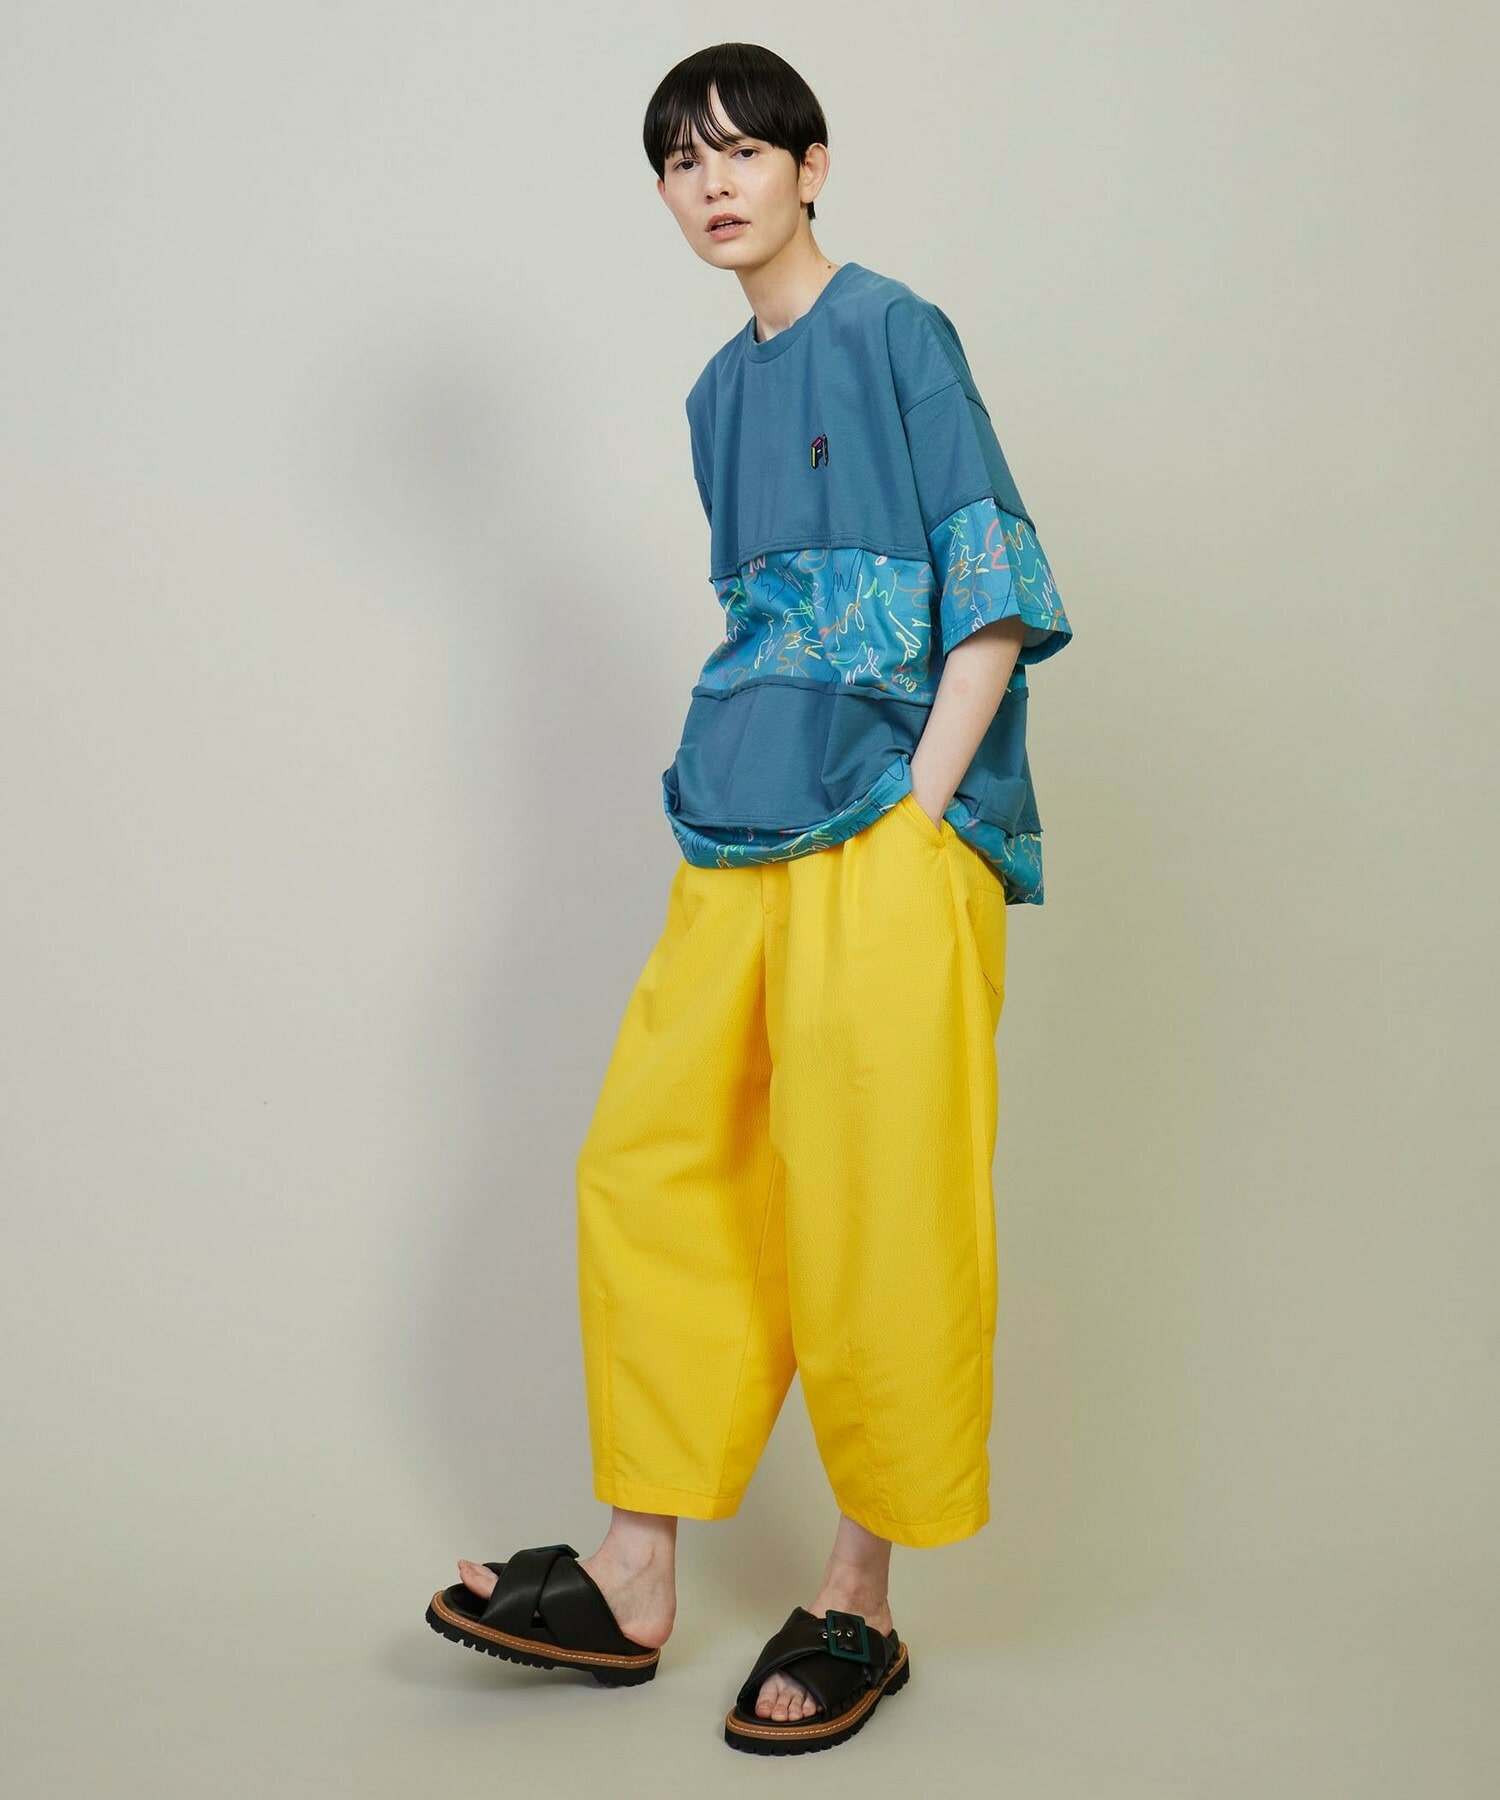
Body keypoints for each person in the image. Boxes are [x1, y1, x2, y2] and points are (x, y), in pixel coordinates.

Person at [424, 41, 1074, 1754]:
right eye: (680, 161)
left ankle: (861, 1598)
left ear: (812, 165)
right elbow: (768, 621)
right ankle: (636, 1572)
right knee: (657, 1167)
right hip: (734, 832)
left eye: (743, 150)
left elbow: (991, 586)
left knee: (873, 1199)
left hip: (889, 839)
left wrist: (921, 814)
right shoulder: (716, 394)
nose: (713, 183)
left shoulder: (900, 332)